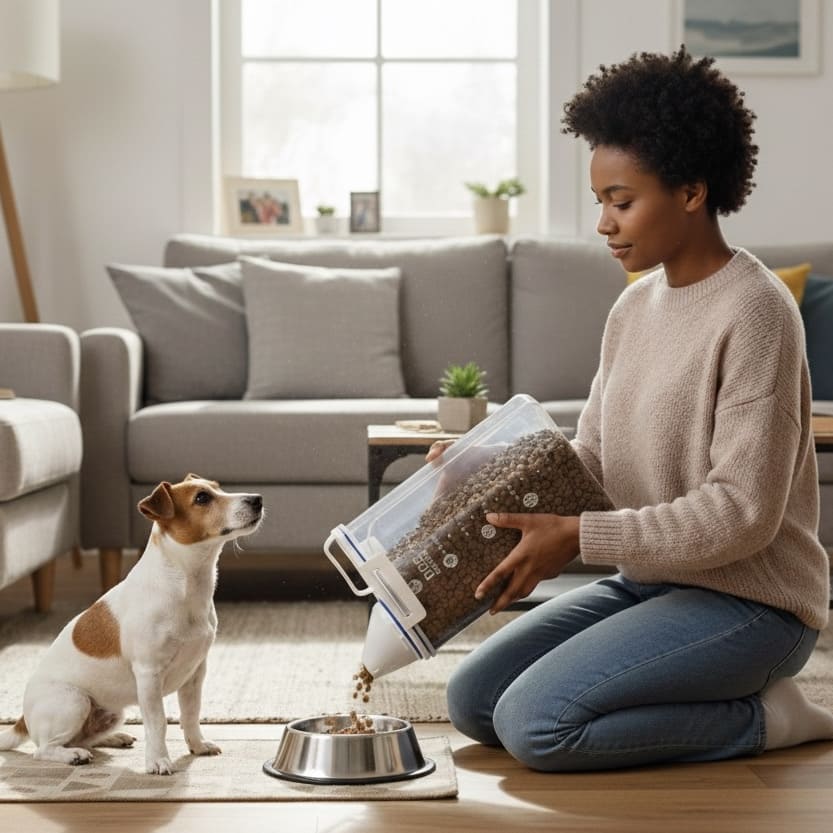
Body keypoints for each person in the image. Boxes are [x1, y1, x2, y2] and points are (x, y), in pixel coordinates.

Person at [428, 47, 833, 772]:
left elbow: (742, 513)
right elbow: (594, 458)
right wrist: (489, 467)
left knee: (535, 723)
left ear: (690, 191)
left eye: (621, 200)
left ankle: (767, 717)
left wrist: (578, 535)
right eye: (599, 202)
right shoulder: (632, 306)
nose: (603, 223)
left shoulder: (757, 312)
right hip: (653, 584)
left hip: (753, 605)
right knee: (474, 699)